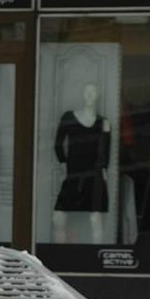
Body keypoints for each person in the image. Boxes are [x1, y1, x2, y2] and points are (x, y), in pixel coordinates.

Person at [53, 82, 111, 243]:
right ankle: (60, 257)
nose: (90, 95)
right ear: (82, 94)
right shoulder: (69, 117)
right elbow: (58, 144)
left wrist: (104, 172)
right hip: (73, 174)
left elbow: (106, 150)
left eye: (93, 92)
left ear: (98, 95)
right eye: (87, 91)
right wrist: (63, 164)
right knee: (58, 219)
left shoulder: (103, 122)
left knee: (95, 220)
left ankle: (95, 261)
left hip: (94, 175)